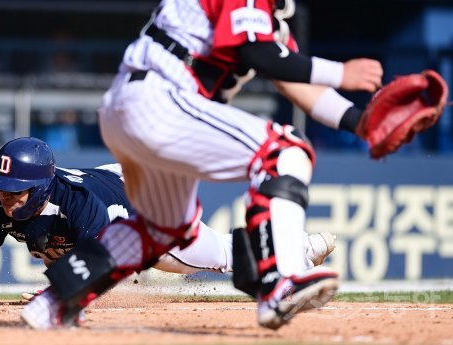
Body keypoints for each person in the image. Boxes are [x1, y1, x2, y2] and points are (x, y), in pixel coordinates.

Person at [20, 0, 391, 331]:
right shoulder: (253, 13)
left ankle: (56, 301)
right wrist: (341, 73)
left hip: (134, 105)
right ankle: (281, 280)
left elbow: (295, 81)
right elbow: (255, 53)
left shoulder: (267, 17)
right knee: (284, 151)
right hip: (159, 96)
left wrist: (361, 122)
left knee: (163, 229)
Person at [0, 137, 337, 307]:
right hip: (113, 186)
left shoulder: (74, 201)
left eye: (17, 189)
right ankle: (294, 246)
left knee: (200, 257)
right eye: (2, 187)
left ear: (42, 187)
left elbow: (102, 258)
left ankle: (296, 250)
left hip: (144, 203)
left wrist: (58, 288)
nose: (6, 197)